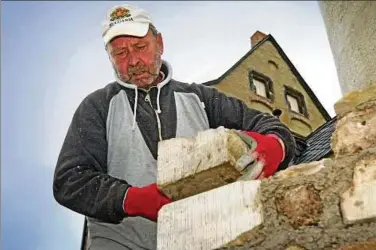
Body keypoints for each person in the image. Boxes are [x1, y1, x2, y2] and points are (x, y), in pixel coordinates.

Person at [53, 4, 296, 250]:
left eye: (140, 47)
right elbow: (70, 180)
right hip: (122, 242)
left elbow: (270, 127)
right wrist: (133, 199)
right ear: (110, 58)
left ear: (159, 44)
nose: (134, 61)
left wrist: (274, 145)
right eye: (121, 53)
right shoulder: (97, 106)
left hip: (203, 239)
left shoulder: (201, 98)